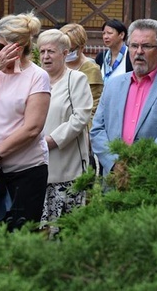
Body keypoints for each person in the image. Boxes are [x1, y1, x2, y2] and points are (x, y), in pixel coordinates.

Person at [0, 12, 50, 236]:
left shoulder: (37, 76)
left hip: (24, 170)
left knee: (18, 238)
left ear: (15, 48)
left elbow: (32, 128)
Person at [90, 19, 157, 174]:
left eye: (146, 46)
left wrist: (136, 166)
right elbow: (97, 129)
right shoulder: (113, 85)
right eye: (133, 46)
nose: (138, 51)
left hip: (153, 179)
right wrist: (114, 164)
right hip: (114, 179)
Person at [37, 29, 92, 233]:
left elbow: (80, 117)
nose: (45, 57)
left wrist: (52, 140)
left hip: (66, 165)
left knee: (64, 229)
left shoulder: (76, 79)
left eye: (51, 51)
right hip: (35, 162)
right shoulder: (35, 78)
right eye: (42, 51)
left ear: (65, 53)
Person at [60, 23, 103, 121]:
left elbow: (93, 107)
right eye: (63, 49)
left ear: (81, 47)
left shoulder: (91, 69)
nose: (66, 53)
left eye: (70, 50)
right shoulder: (57, 64)